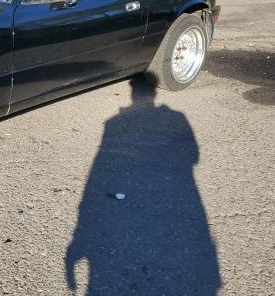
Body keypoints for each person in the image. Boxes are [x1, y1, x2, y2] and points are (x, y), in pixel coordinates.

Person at [66, 78, 221, 295]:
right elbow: (193, 156)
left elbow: (98, 169)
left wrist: (80, 237)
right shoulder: (175, 118)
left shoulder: (115, 123)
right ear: (153, 93)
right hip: (178, 198)